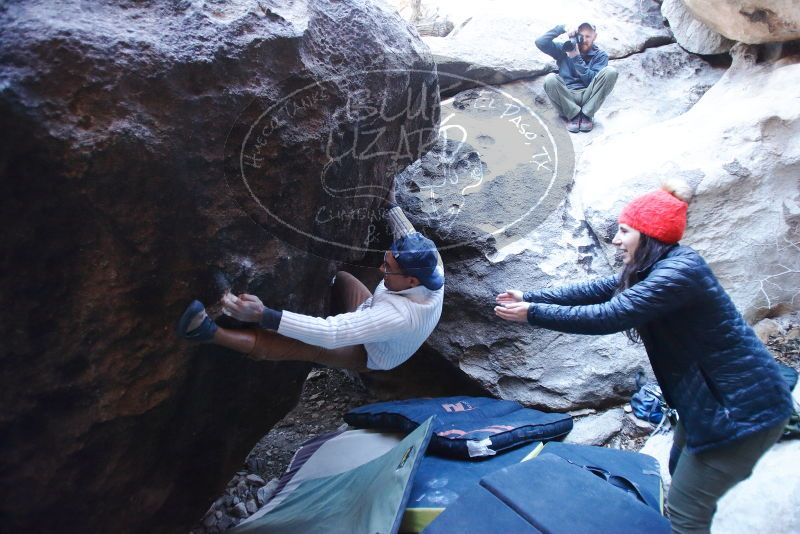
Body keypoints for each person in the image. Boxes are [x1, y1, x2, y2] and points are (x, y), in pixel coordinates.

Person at [494, 180, 793, 533]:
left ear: (649, 235)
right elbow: (600, 290)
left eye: (624, 231)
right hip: (710, 403)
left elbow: (610, 314)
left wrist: (533, 313)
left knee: (685, 513)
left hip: (743, 412)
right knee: (677, 468)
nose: (616, 239)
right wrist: (531, 295)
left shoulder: (678, 273)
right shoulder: (655, 267)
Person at [177, 198, 444, 372]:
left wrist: (264, 315)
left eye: (388, 269)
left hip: (374, 353)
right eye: (385, 260)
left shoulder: (398, 317)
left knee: (308, 346)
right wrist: (390, 204)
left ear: (411, 281)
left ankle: (206, 332)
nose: (380, 268)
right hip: (372, 313)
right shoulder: (430, 265)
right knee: (342, 279)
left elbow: (331, 333)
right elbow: (408, 235)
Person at [535, 22, 618, 133]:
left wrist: (576, 59)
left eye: (588, 36)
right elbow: (540, 42)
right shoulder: (565, 48)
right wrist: (563, 27)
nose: (584, 40)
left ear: (595, 36)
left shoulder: (600, 55)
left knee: (611, 72)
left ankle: (586, 115)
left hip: (588, 98)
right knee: (550, 79)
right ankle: (573, 115)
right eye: (581, 36)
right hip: (566, 98)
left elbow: (592, 81)